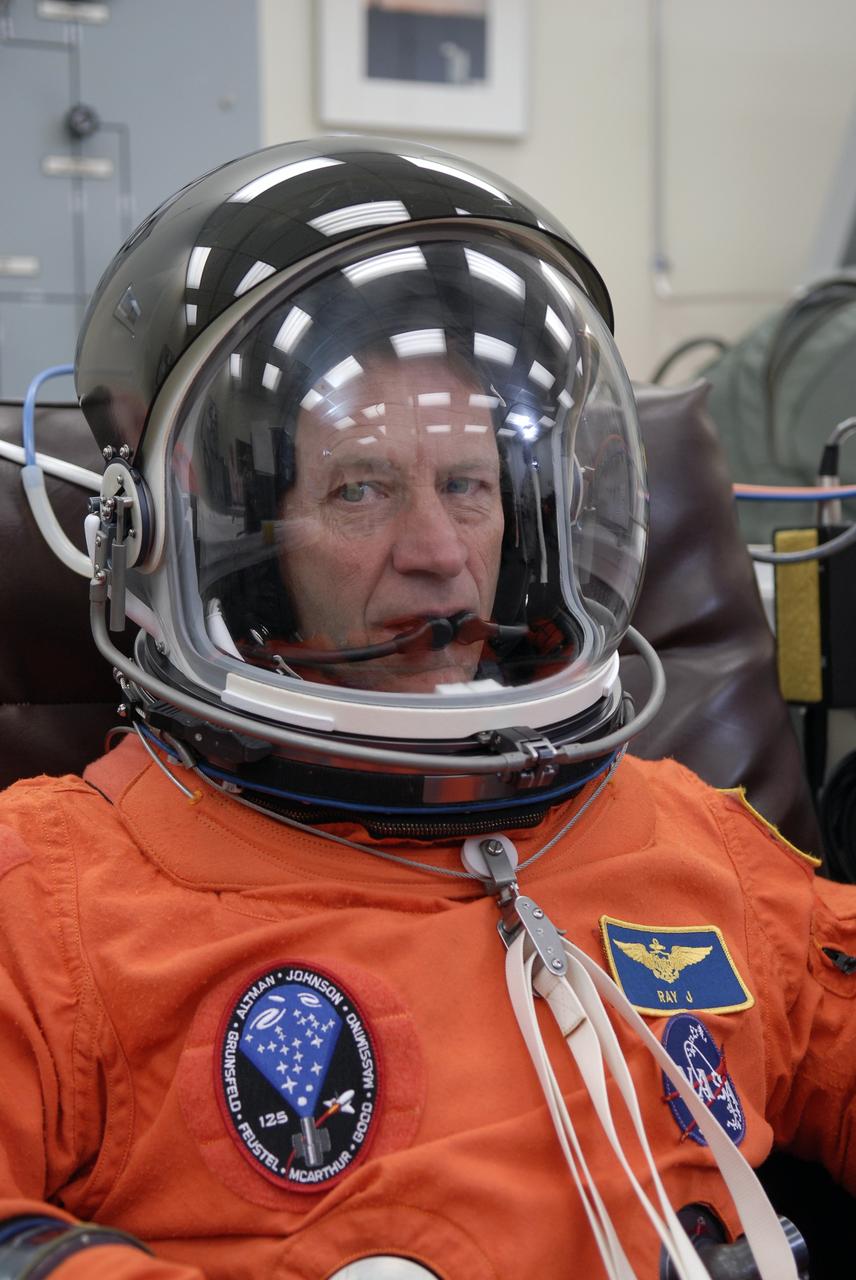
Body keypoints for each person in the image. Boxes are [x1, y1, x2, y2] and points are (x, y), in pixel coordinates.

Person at [0, 136, 853, 1280]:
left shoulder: (694, 842)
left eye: (466, 485)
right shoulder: (55, 897)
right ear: (220, 538)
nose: (439, 552)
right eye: (361, 488)